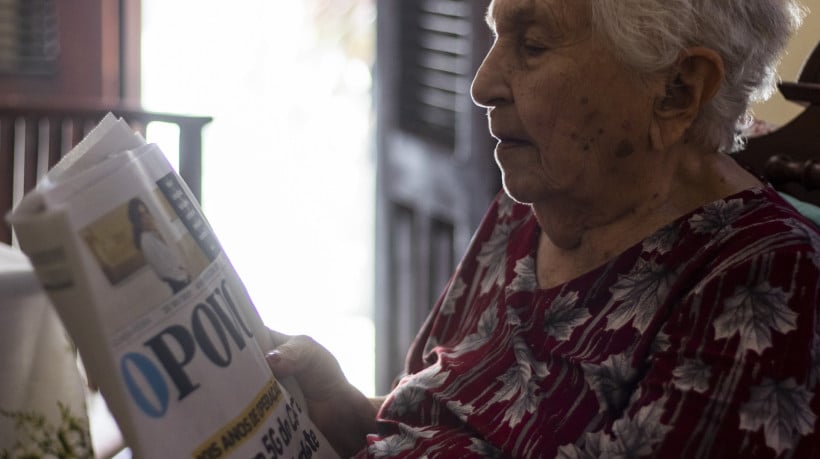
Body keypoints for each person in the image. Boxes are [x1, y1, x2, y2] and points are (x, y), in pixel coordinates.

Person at [266, 0, 820, 457]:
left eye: (532, 46)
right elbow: (450, 413)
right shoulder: (537, 199)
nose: (482, 84)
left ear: (678, 90)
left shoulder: (765, 280)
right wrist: (355, 415)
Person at [127, 197, 190, 294]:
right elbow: (162, 270)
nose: (147, 217)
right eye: (141, 216)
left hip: (183, 279)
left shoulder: (153, 234)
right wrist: (181, 275)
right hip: (179, 283)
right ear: (136, 221)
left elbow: (170, 258)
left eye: (146, 212)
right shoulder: (146, 241)